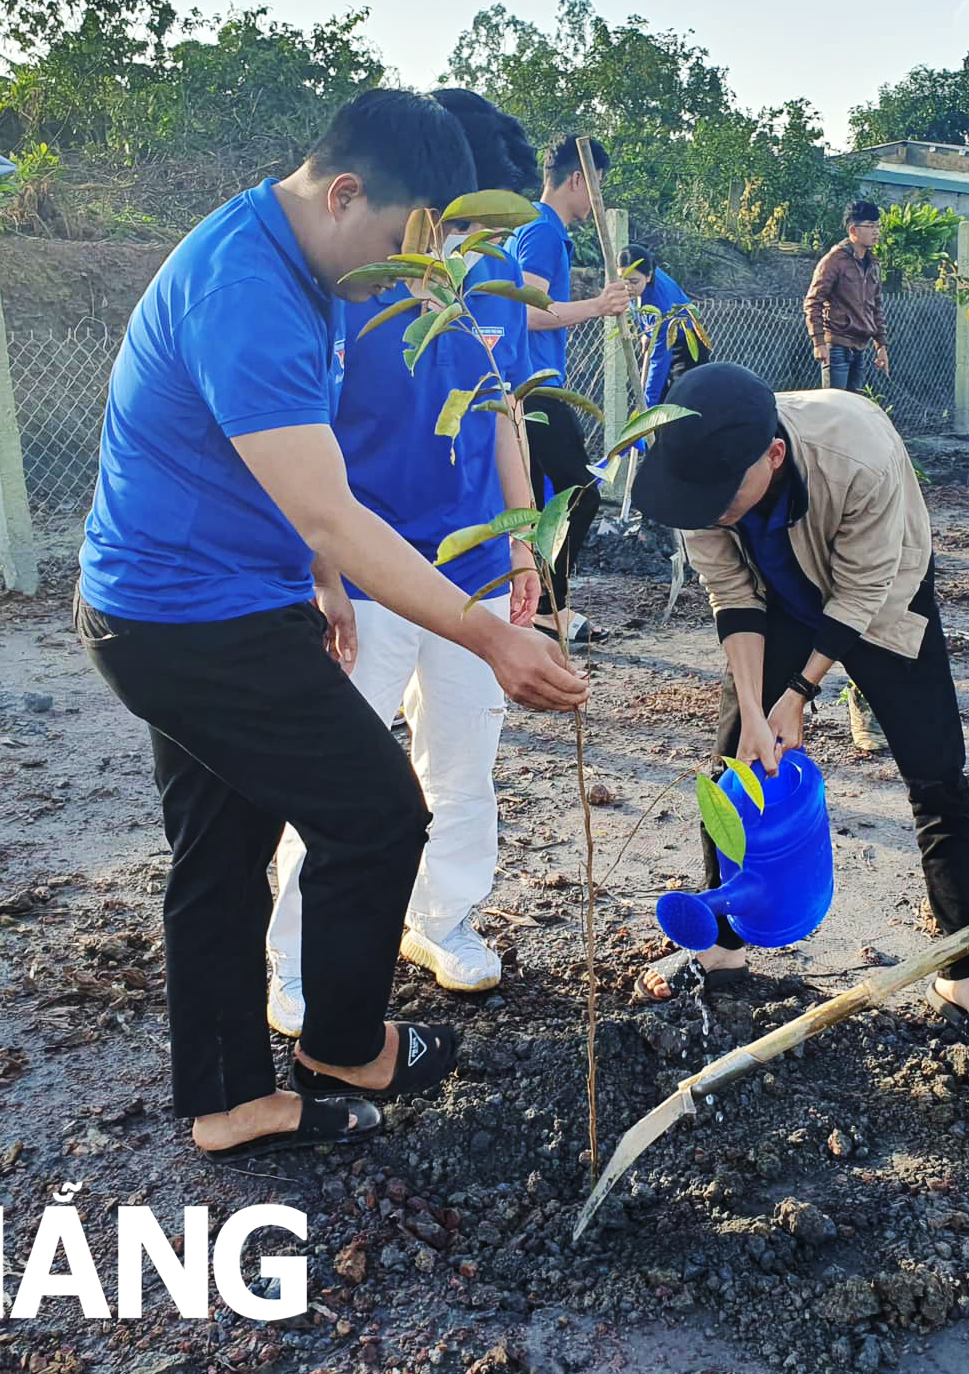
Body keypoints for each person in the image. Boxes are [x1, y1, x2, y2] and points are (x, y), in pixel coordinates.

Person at [75, 89, 588, 1163]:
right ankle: (343, 1048)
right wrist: (489, 633)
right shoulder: (249, 290)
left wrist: (317, 576)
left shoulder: (298, 261)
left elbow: (292, 476)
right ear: (343, 191)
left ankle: (226, 1102)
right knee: (375, 813)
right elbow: (329, 509)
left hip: (207, 598)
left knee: (220, 854)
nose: (423, 269)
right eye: (411, 243)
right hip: (183, 619)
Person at [628, 363, 969, 1068]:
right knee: (733, 766)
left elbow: (862, 588)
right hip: (774, 600)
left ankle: (964, 974)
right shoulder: (699, 476)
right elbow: (730, 592)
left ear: (773, 456)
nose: (713, 510)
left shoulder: (857, 453)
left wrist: (801, 692)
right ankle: (723, 946)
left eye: (724, 499)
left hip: (879, 597)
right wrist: (756, 708)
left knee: (936, 773)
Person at [265, 89, 544, 1021]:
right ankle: (296, 960)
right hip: (375, 569)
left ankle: (441, 919)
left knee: (464, 761)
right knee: (340, 770)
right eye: (461, 218)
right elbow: (310, 450)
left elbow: (506, 414)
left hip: (470, 569)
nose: (473, 239)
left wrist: (525, 540)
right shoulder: (352, 288)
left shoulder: (491, 292)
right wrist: (327, 573)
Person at [511, 133, 634, 645]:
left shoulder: (540, 231)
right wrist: (598, 307)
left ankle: (541, 606)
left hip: (534, 384)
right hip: (538, 388)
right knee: (579, 497)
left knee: (545, 506)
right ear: (578, 179)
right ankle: (547, 608)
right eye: (597, 186)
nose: (596, 201)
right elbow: (524, 311)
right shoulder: (541, 230)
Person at [805, 201, 889, 393]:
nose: (876, 231)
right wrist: (818, 343)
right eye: (870, 226)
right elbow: (813, 302)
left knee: (853, 408)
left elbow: (876, 307)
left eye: (877, 226)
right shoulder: (834, 261)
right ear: (853, 230)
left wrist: (881, 346)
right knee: (834, 408)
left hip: (860, 347)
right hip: (836, 347)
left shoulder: (873, 264)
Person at [620, 242, 706, 406]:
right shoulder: (639, 282)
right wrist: (646, 332)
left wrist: (647, 406)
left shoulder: (660, 306)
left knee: (680, 401)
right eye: (623, 280)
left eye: (633, 281)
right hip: (662, 338)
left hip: (686, 342)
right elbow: (638, 307)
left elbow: (659, 361)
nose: (627, 287)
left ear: (649, 276)